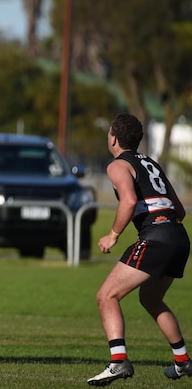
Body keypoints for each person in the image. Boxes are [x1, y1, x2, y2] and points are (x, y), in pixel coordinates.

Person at [87, 113, 191, 386]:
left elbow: (129, 200)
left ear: (113, 137)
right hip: (179, 237)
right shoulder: (151, 163)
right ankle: (183, 361)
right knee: (151, 299)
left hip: (156, 236)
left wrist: (112, 235)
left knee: (106, 296)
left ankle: (118, 362)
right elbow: (179, 209)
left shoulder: (118, 165)